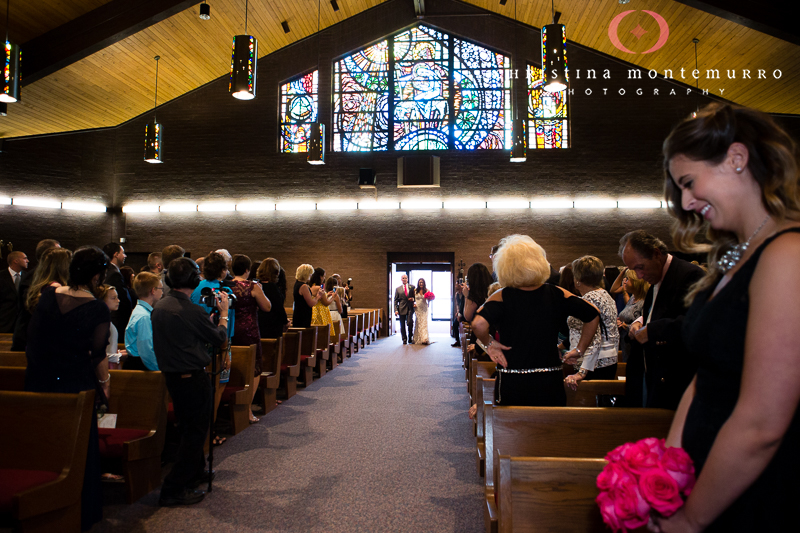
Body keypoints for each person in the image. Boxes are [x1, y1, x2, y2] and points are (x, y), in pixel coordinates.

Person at [650, 104, 800, 532]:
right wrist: (669, 471)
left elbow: (762, 423)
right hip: (709, 477)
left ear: (736, 158)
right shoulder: (737, 256)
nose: (686, 201)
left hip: (759, 489)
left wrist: (692, 519)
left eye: (689, 182)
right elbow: (706, 378)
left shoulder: (788, 254)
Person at [25, 246, 111, 530]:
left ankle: (40, 503)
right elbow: (98, 354)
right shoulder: (97, 307)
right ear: (97, 275)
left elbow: (34, 341)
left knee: (44, 442)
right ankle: (80, 509)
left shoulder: (49, 296)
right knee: (78, 448)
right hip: (75, 383)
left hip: (40, 380)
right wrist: (105, 385)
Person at [472, 235, 601, 406]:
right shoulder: (556, 293)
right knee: (549, 427)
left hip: (513, 378)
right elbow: (593, 313)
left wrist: (489, 344)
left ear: (505, 266)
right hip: (549, 377)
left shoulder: (502, 295)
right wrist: (580, 349)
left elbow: (478, 324)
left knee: (511, 428)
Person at [153, 257, 229, 507]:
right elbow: (219, 338)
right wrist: (224, 315)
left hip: (173, 377)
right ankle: (173, 488)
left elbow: (184, 335)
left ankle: (196, 471)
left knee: (188, 428)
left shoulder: (161, 305)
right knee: (196, 431)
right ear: (194, 280)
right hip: (192, 376)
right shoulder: (191, 310)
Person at [620, 230, 704, 409]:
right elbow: (656, 313)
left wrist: (653, 330)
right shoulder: (656, 279)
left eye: (640, 267)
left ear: (656, 254)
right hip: (651, 375)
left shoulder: (690, 276)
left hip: (676, 381)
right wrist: (639, 322)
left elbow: (698, 323)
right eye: (633, 269)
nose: (639, 276)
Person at [564, 256, 619, 389]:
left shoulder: (589, 299)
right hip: (608, 361)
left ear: (577, 280)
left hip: (594, 365)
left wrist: (582, 372)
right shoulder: (605, 295)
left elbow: (595, 338)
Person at [230, 254, 271, 424]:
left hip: (230, 331)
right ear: (247, 270)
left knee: (233, 367)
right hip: (249, 331)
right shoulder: (252, 286)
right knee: (255, 369)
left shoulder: (226, 285)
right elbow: (267, 307)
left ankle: (233, 406)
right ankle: (246, 408)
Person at [11, 239, 60, 350]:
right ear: (49, 255)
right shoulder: (34, 277)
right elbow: (30, 307)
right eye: (59, 251)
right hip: (30, 339)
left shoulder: (47, 276)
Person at [124, 272, 163, 371]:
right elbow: (146, 351)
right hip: (140, 365)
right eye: (161, 289)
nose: (162, 292)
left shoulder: (140, 310)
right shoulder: (144, 317)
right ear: (153, 290)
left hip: (138, 363)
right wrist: (158, 370)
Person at [615, 269, 649, 363]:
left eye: (628, 280)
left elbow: (645, 326)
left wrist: (624, 325)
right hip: (626, 344)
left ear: (636, 283)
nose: (625, 282)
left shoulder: (643, 303)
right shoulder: (633, 298)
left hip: (635, 346)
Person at [102, 243, 133, 342]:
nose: (125, 256)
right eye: (123, 253)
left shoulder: (107, 270)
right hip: (117, 319)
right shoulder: (114, 274)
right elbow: (123, 300)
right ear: (116, 254)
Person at [462, 263, 493, 358]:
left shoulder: (474, 295)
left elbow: (467, 316)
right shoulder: (491, 292)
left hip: (479, 336)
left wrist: (466, 296)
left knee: (476, 363)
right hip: (489, 334)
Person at [256, 258, 289, 339]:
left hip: (258, 323)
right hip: (272, 325)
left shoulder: (256, 285)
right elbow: (279, 308)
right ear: (276, 272)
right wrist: (286, 322)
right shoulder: (273, 287)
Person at [1, 250, 29, 333]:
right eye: (25, 258)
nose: (28, 261)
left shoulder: (28, 277)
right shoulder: (1, 276)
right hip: (4, 322)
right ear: (16, 261)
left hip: (22, 324)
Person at [293, 264, 323, 328]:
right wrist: (318, 296)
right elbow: (311, 303)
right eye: (310, 274)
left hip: (298, 313)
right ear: (306, 274)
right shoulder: (304, 286)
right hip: (303, 315)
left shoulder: (297, 284)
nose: (311, 275)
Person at [97, 285, 122, 357]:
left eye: (117, 297)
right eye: (113, 298)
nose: (118, 300)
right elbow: (101, 354)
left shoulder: (106, 321)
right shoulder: (101, 324)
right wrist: (120, 356)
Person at [309, 267, 335, 335]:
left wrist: (327, 295)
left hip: (313, 311)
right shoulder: (319, 288)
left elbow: (319, 298)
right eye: (324, 276)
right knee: (322, 333)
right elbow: (326, 303)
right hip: (320, 311)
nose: (324, 278)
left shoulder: (310, 287)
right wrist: (333, 297)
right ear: (320, 277)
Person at [393, 274, 415, 344]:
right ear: (401, 279)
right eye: (403, 278)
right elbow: (395, 300)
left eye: (406, 278)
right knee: (402, 324)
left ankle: (410, 337)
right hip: (401, 308)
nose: (404, 279)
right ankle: (404, 338)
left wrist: (413, 299)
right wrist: (396, 310)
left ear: (407, 279)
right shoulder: (398, 289)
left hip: (410, 307)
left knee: (409, 322)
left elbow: (416, 297)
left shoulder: (412, 287)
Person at [412, 278, 435, 345]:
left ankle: (424, 338)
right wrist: (414, 303)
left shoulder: (427, 290)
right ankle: (417, 338)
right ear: (418, 283)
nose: (421, 283)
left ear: (424, 283)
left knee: (424, 323)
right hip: (418, 308)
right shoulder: (415, 291)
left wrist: (430, 298)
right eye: (420, 282)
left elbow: (429, 300)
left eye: (422, 282)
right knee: (418, 322)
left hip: (424, 308)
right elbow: (413, 299)